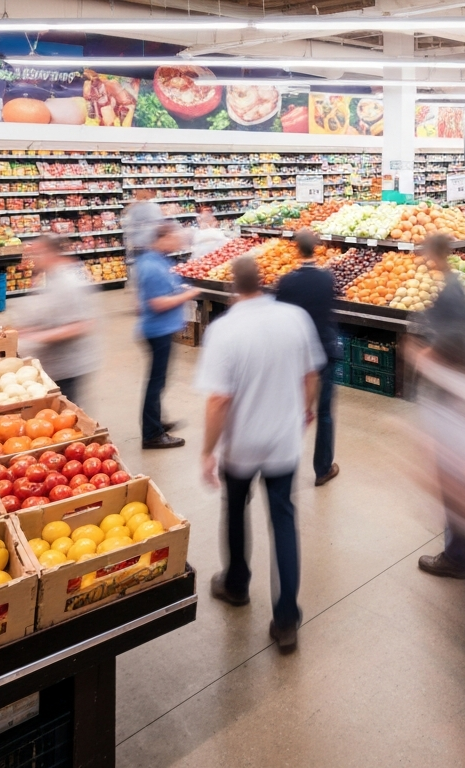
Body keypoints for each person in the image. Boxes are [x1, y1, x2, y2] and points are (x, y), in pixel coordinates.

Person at [198, 255, 325, 653]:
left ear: (232, 288)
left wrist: (207, 451)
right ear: (264, 282)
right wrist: (305, 410)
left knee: (236, 510)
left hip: (242, 444)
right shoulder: (294, 318)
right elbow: (311, 375)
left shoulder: (223, 330)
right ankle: (286, 619)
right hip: (283, 440)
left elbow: (218, 401)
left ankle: (236, 584)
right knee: (283, 521)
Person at [413, 234, 465, 580]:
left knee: (451, 476)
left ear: (435, 254)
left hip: (452, 395)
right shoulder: (454, 283)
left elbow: (455, 338)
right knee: (459, 472)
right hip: (461, 390)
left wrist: (424, 353)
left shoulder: (450, 290)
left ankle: (457, 556)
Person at [275, 230, 341, 486]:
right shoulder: (326, 278)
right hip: (324, 348)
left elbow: (280, 315)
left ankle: (283, 464)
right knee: (324, 412)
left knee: (293, 410)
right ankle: (323, 469)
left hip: (297, 353)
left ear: (296, 250)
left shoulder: (286, 282)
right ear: (316, 248)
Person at [134, 222, 200, 449]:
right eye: (175, 238)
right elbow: (158, 303)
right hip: (157, 331)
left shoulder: (158, 259)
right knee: (156, 383)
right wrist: (188, 295)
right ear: (163, 238)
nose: (179, 242)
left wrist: (180, 289)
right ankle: (152, 434)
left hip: (161, 329)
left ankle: (157, 422)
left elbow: (144, 300)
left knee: (159, 381)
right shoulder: (151, 265)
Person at [12, 235, 99, 405]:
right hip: (53, 365)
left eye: (36, 254)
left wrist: (36, 337)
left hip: (69, 367)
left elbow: (81, 325)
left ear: (50, 253)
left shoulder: (68, 282)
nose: (31, 259)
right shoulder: (49, 278)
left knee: (67, 412)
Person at [122, 188, 164, 264]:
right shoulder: (154, 207)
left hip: (137, 245)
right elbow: (159, 224)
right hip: (150, 245)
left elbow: (127, 227)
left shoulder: (132, 208)